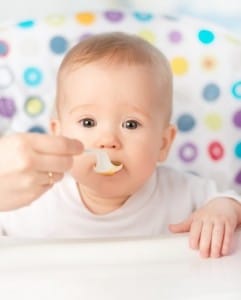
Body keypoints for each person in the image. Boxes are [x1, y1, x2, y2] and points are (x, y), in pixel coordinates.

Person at [0, 32, 240, 259]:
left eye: (131, 124)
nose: (108, 141)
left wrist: (223, 211)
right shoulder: (34, 197)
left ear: (163, 143)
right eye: (88, 122)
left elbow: (230, 202)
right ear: (58, 135)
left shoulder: (182, 193)